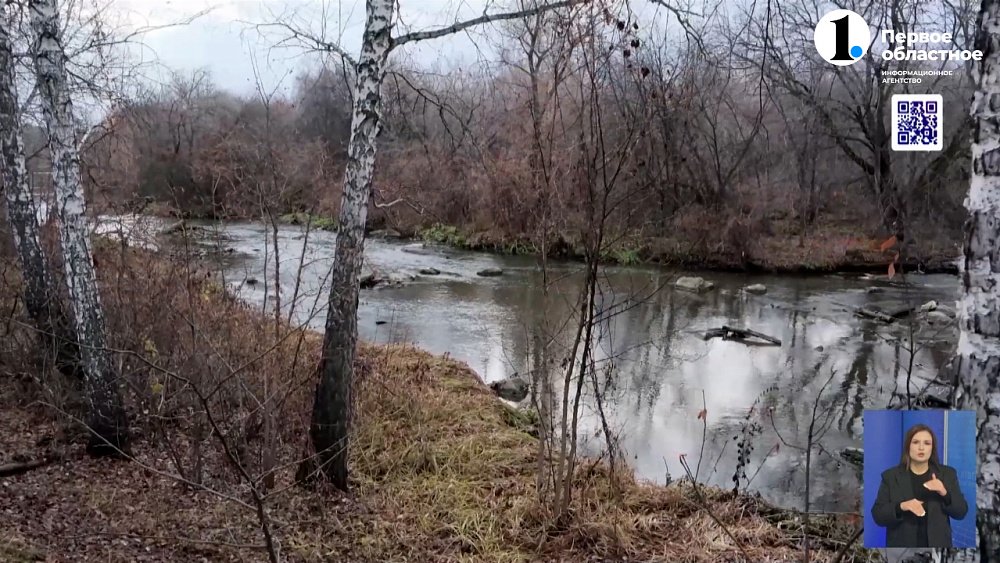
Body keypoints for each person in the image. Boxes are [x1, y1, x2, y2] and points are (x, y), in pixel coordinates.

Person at [870, 423, 969, 547]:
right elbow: (878, 515)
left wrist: (944, 492)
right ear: (908, 446)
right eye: (916, 442)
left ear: (932, 448)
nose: (921, 448)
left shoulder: (947, 474)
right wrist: (902, 506)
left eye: (927, 443)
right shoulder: (890, 477)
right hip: (902, 548)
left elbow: (961, 512)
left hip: (937, 548)